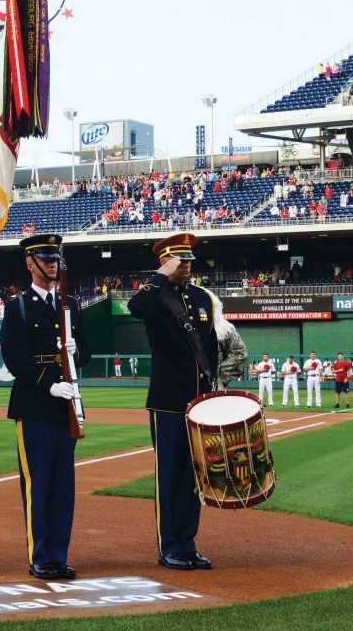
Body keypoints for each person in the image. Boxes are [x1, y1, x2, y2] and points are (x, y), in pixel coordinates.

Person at [128, 233, 224, 571]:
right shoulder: (154, 297)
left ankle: (188, 543)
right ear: (166, 262)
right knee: (169, 476)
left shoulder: (201, 297)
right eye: (179, 261)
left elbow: (209, 346)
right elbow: (135, 307)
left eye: (188, 261)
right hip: (167, 403)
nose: (186, 266)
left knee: (193, 477)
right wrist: (159, 277)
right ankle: (169, 546)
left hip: (198, 401)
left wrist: (215, 388)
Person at [0, 235, 90, 580]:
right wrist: (47, 383)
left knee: (63, 486)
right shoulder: (18, 306)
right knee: (38, 484)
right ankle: (40, 556)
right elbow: (14, 357)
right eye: (44, 259)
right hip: (35, 404)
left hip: (65, 405)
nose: (52, 264)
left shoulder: (71, 305)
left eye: (54, 258)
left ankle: (58, 554)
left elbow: (86, 349)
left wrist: (74, 353)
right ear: (30, 263)